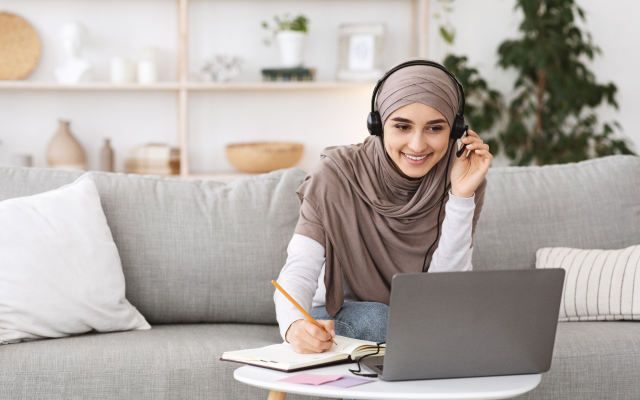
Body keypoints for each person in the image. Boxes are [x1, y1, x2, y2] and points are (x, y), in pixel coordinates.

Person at [274, 57, 493, 354]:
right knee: (380, 320)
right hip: (342, 316)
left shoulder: (461, 177)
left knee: (469, 329)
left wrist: (462, 196)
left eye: (434, 128)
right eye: (402, 126)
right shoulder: (335, 174)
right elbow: (300, 267)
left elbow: (445, 295)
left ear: (455, 130)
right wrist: (294, 324)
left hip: (418, 321)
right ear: (377, 125)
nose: (417, 145)